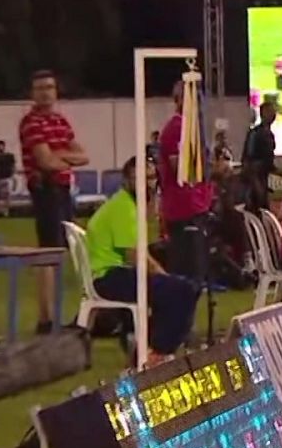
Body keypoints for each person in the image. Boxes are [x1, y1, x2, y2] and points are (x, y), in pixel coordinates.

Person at [85, 157, 200, 367]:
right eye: (144, 178)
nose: (149, 183)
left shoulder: (126, 204)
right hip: (108, 276)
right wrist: (164, 277)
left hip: (111, 272)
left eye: (152, 177)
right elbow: (135, 256)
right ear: (129, 179)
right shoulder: (124, 208)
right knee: (183, 290)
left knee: (179, 289)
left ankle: (148, 347)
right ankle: (157, 352)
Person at [20, 70, 89, 334]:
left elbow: (83, 155)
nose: (46, 93)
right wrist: (64, 158)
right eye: (40, 88)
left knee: (64, 248)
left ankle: (57, 313)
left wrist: (58, 156)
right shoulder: (31, 123)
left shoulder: (60, 121)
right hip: (46, 189)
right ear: (33, 93)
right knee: (49, 251)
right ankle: (46, 317)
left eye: (49, 87)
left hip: (62, 188)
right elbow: (44, 162)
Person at [157, 79, 216, 279]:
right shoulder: (177, 128)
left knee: (196, 272)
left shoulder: (190, 128)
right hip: (184, 208)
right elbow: (179, 168)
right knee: (187, 273)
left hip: (195, 206)